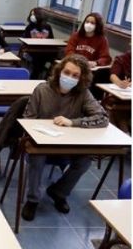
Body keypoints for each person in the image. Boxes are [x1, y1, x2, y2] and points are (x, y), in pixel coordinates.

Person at [21, 54, 108, 221]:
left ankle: (58, 192)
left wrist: (73, 122)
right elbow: (27, 120)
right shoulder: (41, 90)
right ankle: (32, 199)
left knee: (85, 160)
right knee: (36, 157)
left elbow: (103, 118)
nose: (70, 77)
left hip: (68, 144)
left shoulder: (83, 93)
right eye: (67, 72)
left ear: (81, 78)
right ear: (59, 71)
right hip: (43, 143)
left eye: (75, 75)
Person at [22, 7, 55, 79]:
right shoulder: (29, 27)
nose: (32, 16)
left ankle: (46, 77)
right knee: (37, 61)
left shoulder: (47, 27)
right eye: (31, 14)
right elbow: (26, 41)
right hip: (33, 51)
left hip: (45, 51)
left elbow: (51, 40)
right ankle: (34, 78)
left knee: (54, 58)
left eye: (33, 14)